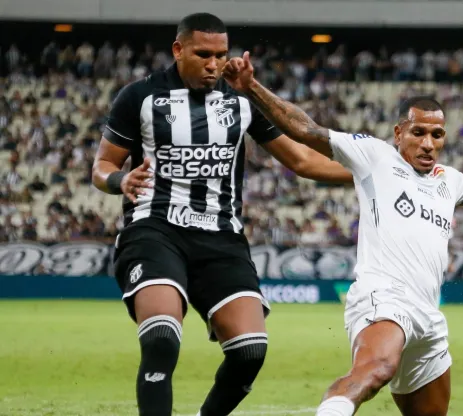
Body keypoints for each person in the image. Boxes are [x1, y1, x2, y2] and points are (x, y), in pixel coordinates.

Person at [220, 51, 463, 416]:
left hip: (428, 313)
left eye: (437, 134)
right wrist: (251, 87)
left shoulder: (449, 180)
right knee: (375, 370)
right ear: (399, 133)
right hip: (384, 298)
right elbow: (307, 130)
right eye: (419, 132)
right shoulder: (374, 156)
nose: (429, 143)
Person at [91, 13, 352, 416]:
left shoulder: (242, 100)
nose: (214, 64)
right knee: (161, 337)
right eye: (203, 54)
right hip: (154, 228)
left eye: (221, 55)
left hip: (221, 237)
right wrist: (118, 182)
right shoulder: (139, 97)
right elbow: (101, 167)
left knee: (250, 352)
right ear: (178, 50)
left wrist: (377, 174)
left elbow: (303, 161)